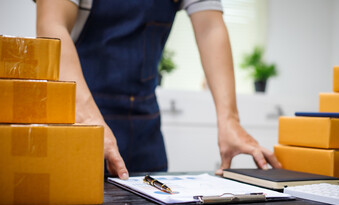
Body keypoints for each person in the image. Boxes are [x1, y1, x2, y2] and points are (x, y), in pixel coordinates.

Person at [36, 0, 282, 180]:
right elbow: (51, 24)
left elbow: (211, 28)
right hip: (78, 123)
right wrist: (89, 118)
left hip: (145, 128)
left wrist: (230, 120)